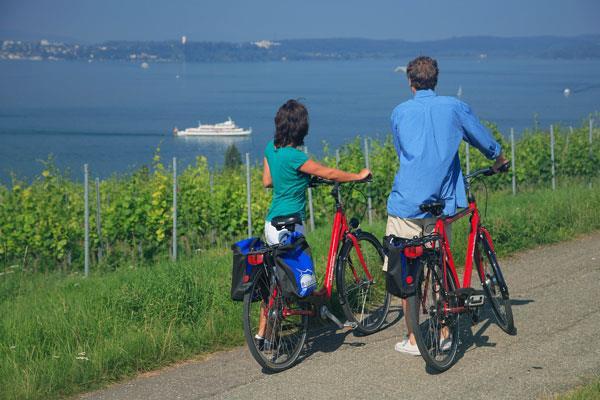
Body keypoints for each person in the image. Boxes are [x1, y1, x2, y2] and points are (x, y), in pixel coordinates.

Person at [387, 56, 507, 355]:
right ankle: (444, 333)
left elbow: (403, 151)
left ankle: (413, 339)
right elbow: (482, 139)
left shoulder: (400, 112)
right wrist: (498, 158)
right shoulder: (454, 107)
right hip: (441, 203)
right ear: (436, 80)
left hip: (406, 202)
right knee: (439, 264)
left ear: (410, 81)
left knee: (407, 270)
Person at [255, 99, 370, 349]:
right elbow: (327, 173)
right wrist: (356, 176)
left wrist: (295, 181)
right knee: (300, 275)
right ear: (301, 128)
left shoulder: (270, 149)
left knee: (278, 275)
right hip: (291, 224)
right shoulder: (296, 156)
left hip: (271, 224)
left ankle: (263, 334)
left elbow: (267, 181)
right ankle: (312, 309)